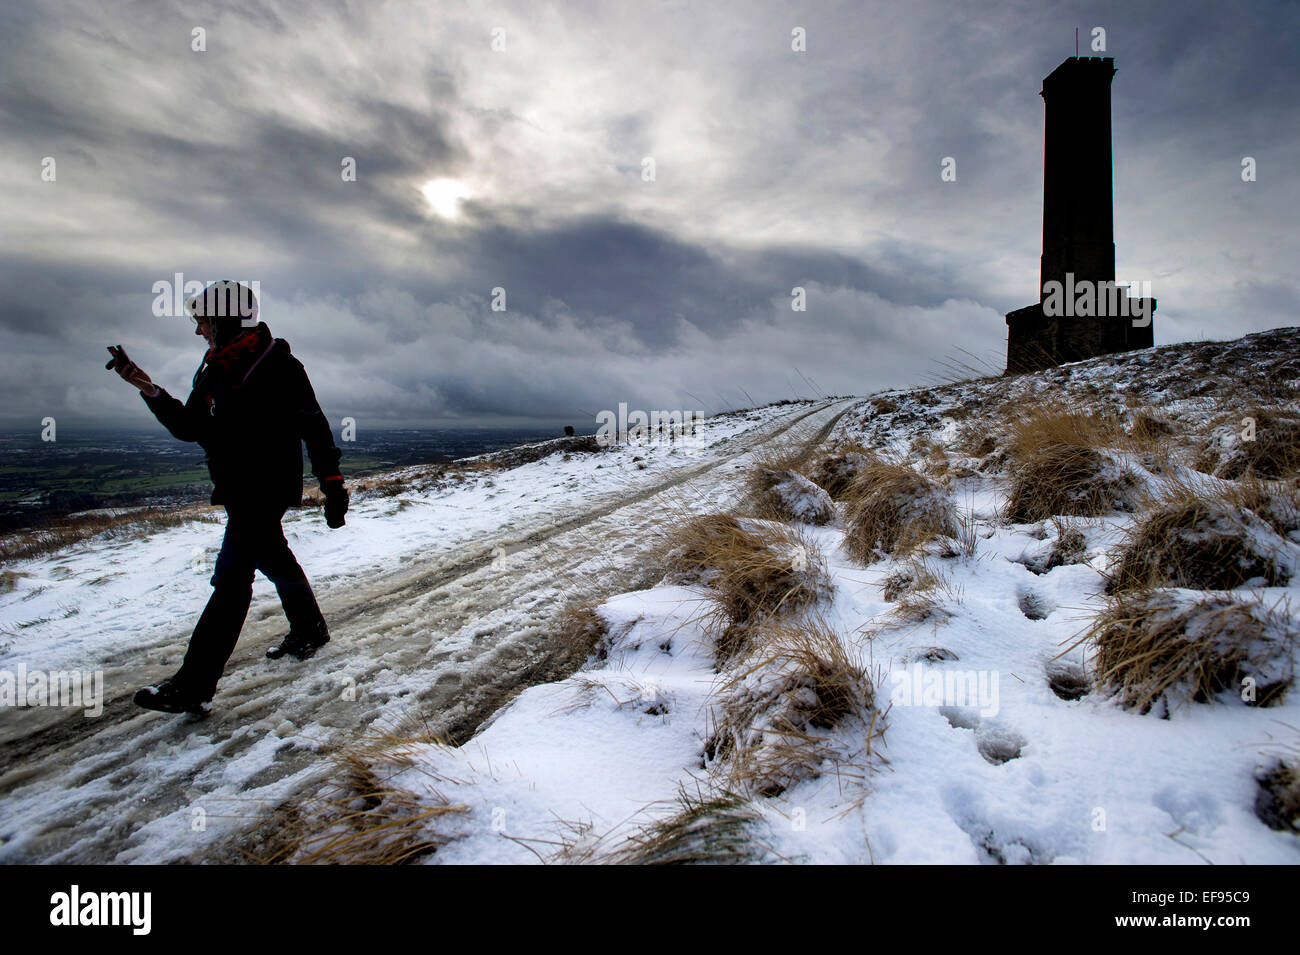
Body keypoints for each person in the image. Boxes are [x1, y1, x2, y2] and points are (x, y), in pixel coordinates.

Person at [106, 280, 349, 714]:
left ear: (225, 319)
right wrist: (149, 389)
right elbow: (189, 427)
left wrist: (332, 484)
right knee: (273, 558)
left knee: (232, 580)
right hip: (237, 488)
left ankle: (194, 684)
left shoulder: (280, 365)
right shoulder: (215, 366)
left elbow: (315, 426)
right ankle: (309, 629)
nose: (198, 331)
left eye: (202, 321)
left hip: (266, 488)